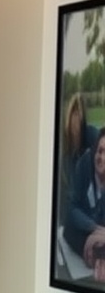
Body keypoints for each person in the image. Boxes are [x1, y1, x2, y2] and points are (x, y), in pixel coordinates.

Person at [65, 125, 105, 280]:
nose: (100, 157)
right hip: (86, 228)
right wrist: (93, 229)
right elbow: (73, 207)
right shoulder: (84, 164)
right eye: (99, 150)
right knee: (69, 228)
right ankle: (95, 255)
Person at [59, 92, 98, 223]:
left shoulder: (91, 135)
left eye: (80, 115)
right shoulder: (63, 147)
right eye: (75, 114)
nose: (78, 121)